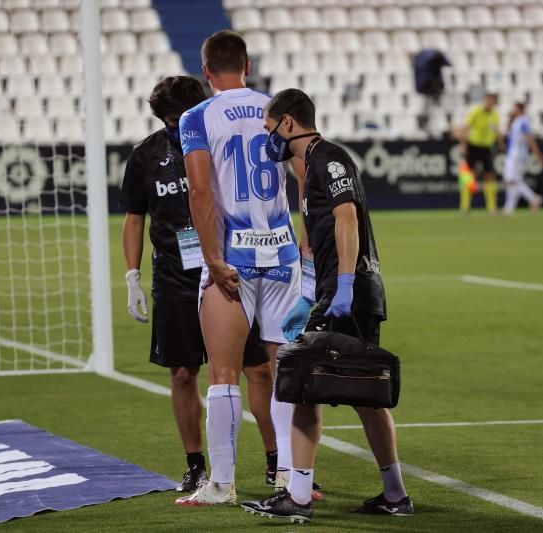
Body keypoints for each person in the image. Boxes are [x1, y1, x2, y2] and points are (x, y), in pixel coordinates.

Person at [242, 89, 413, 523]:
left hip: (350, 290)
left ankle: (297, 496)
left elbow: (347, 218)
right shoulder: (310, 166)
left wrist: (345, 285)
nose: (268, 140)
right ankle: (394, 494)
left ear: (287, 122)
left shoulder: (330, 159)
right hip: (338, 289)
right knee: (366, 396)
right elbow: (315, 231)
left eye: (268, 129)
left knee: (303, 385)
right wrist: (308, 290)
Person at [119, 76, 279, 499]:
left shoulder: (224, 137)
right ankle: (195, 466)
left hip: (229, 270)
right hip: (175, 275)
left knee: (259, 368)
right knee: (184, 372)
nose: (175, 127)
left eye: (179, 119)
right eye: (168, 121)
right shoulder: (146, 155)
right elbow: (135, 216)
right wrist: (132, 274)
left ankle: (275, 461)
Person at [178, 30, 306, 506]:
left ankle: (223, 484)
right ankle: (292, 478)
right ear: (247, 64)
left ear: (206, 71)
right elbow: (306, 178)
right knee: (285, 371)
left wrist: (212, 258)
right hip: (282, 255)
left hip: (231, 260)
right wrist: (305, 251)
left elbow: (201, 192)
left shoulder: (197, 116)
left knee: (224, 374)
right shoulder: (278, 108)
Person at [454, 92, 505, 214]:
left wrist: (502, 144)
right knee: (469, 176)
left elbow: (497, 131)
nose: (491, 103)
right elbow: (465, 129)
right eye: (490, 100)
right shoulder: (476, 112)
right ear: (486, 100)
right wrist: (464, 146)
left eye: (493, 101)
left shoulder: (495, 115)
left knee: (490, 176)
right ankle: (465, 206)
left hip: (487, 147)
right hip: (473, 145)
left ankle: (491, 207)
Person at [502, 100, 543, 215]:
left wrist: (538, 154)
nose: (513, 111)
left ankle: (532, 198)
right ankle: (509, 209)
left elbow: (530, 138)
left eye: (515, 108)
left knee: (511, 180)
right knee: (514, 181)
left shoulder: (523, 121)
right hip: (513, 154)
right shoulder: (516, 121)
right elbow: (509, 133)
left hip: (517, 155)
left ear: (520, 109)